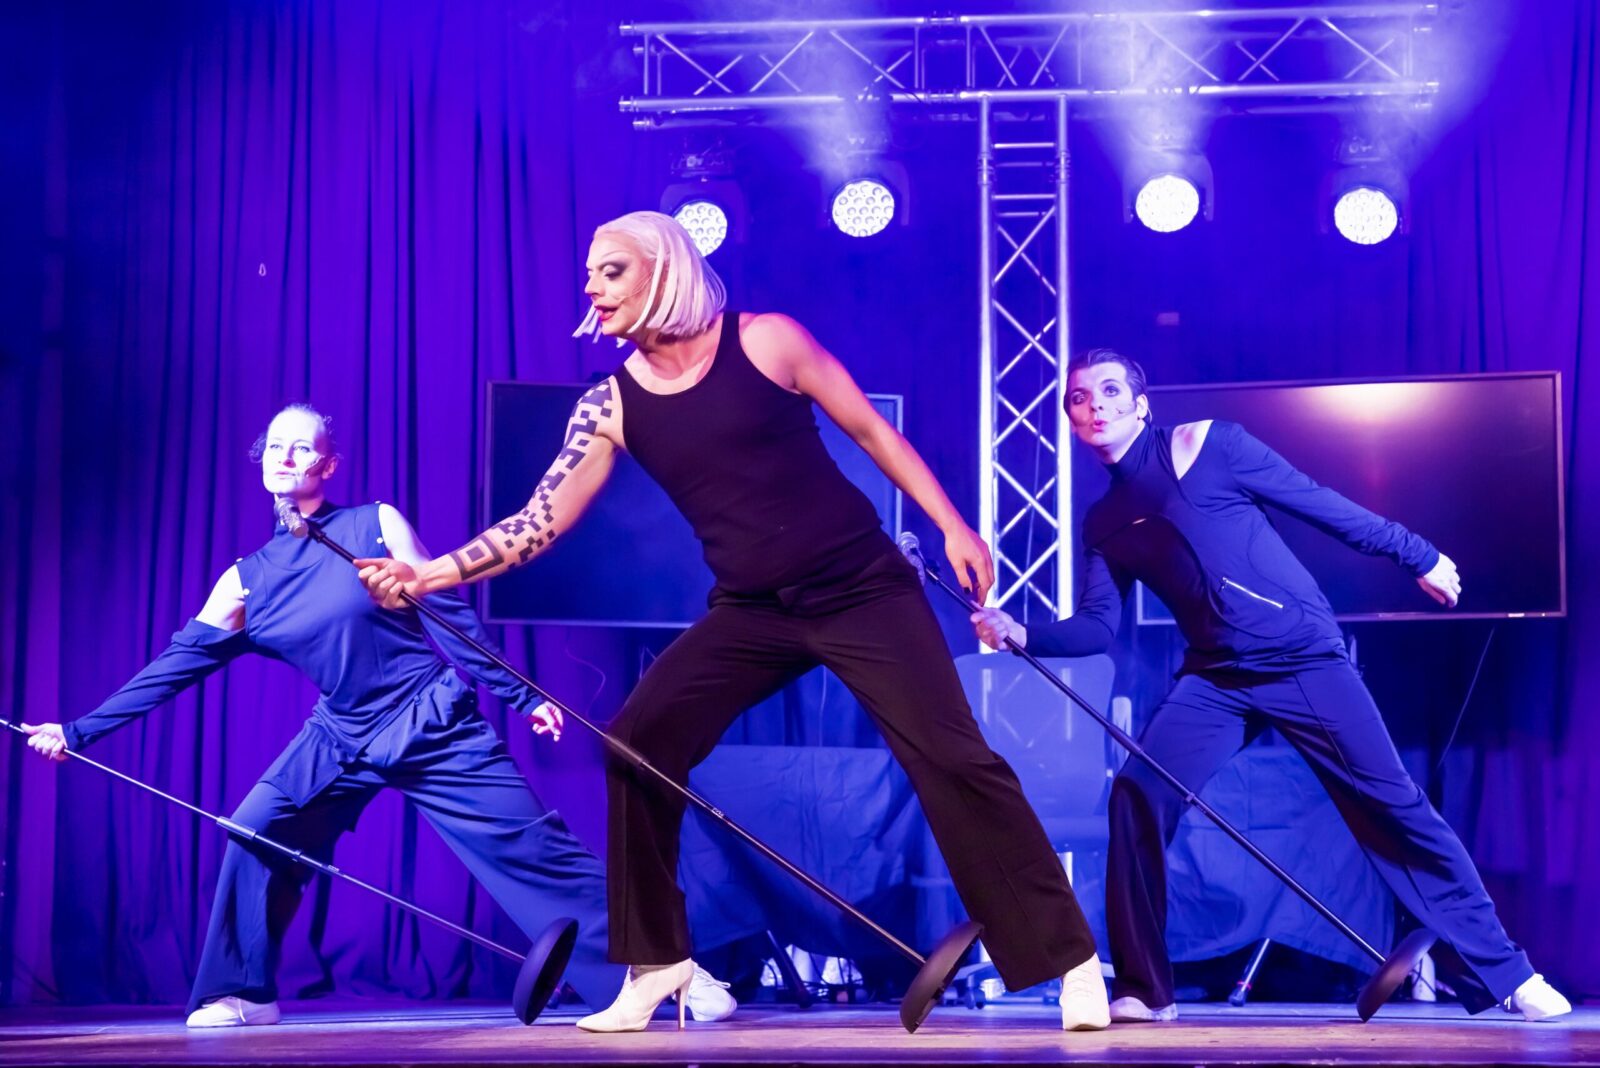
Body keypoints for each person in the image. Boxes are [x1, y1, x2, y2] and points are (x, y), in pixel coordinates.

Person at [355, 211, 1110, 1032]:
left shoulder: (765, 341)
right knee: (636, 740)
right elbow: (540, 520)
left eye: (611, 271)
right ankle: (659, 962)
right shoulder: (609, 405)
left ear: (664, 268)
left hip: (863, 589)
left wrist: (952, 524)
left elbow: (870, 429)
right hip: (753, 610)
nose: (591, 288)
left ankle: (1068, 961)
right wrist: (428, 571)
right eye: (589, 274)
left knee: (954, 759)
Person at [21, 403, 734, 1028]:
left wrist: (524, 695)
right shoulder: (246, 580)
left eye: (302, 447)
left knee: (532, 849)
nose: (286, 457)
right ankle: (241, 991)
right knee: (255, 828)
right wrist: (77, 731)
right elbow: (172, 668)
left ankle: (664, 972)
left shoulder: (375, 524)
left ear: (327, 464)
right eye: (275, 446)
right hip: (340, 733)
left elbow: (451, 618)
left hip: (429, 719)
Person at [970, 349, 1572, 1024]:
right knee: (1137, 793)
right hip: (1217, 680)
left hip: (1301, 658)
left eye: (1110, 391)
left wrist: (1416, 552)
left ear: (1141, 404)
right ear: (1072, 421)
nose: (1095, 405)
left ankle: (1511, 974)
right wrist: (1024, 635)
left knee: (1394, 806)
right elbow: (1098, 627)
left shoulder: (1211, 445)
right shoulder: (1104, 523)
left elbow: (1321, 505)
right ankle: (1144, 988)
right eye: (1079, 398)